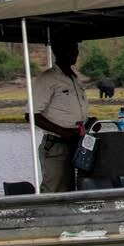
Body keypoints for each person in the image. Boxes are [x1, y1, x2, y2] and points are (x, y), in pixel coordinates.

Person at [31, 37, 90, 193]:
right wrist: (63, 132)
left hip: (77, 144)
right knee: (55, 191)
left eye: (76, 48)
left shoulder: (74, 78)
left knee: (75, 190)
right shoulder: (48, 78)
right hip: (56, 146)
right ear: (58, 51)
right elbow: (31, 115)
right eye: (70, 48)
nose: (75, 52)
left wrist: (87, 121)